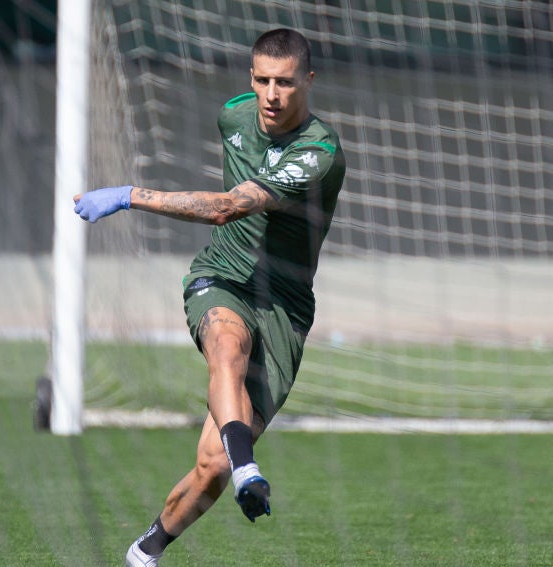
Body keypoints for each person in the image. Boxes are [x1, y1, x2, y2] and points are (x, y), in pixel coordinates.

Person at [72, 28, 346, 566]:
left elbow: (227, 206)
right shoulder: (235, 115)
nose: (272, 95)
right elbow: (224, 218)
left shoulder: (319, 154)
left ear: (308, 82)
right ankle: (248, 466)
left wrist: (130, 196)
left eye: (285, 83)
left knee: (210, 466)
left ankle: (145, 551)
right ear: (250, 80)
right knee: (226, 344)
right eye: (263, 80)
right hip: (221, 277)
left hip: (284, 311)